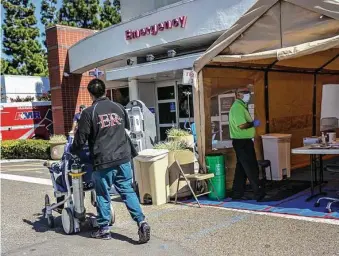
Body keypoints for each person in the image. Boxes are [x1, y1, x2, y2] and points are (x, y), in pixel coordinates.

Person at [70, 79, 150, 243]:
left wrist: (72, 151)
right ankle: (142, 222)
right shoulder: (119, 108)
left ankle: (104, 229)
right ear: (105, 91)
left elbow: (80, 140)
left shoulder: (89, 113)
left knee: (103, 195)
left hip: (104, 160)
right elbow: (126, 129)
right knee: (127, 190)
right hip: (124, 157)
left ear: (90, 94)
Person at [229, 88, 266, 202]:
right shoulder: (237, 107)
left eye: (248, 94)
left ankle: (237, 192)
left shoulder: (240, 106)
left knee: (241, 168)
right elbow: (241, 125)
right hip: (242, 141)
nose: (248, 96)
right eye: (246, 94)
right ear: (239, 95)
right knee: (251, 166)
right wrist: (253, 124)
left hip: (242, 141)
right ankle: (258, 192)